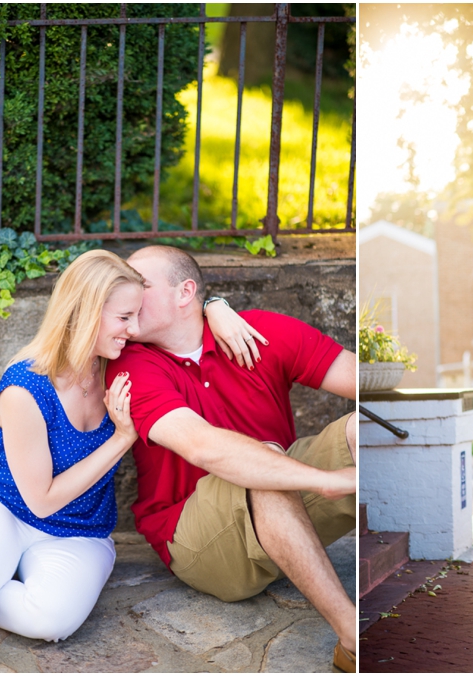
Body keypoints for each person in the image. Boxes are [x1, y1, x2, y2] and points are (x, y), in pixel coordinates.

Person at [0, 249, 259, 642]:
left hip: (82, 529)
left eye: (136, 315)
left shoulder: (121, 362)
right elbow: (41, 500)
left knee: (51, 623)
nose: (134, 328)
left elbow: (178, 321)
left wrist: (217, 307)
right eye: (125, 317)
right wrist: (122, 439)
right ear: (85, 312)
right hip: (7, 511)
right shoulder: (26, 388)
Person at [107, 245, 357, 672]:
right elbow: (202, 446)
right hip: (197, 539)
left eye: (141, 285)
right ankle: (354, 641)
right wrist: (322, 480)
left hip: (284, 521)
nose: (127, 294)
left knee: (360, 427)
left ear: (186, 292)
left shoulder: (256, 331)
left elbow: (364, 383)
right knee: (263, 463)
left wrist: (216, 306)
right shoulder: (128, 365)